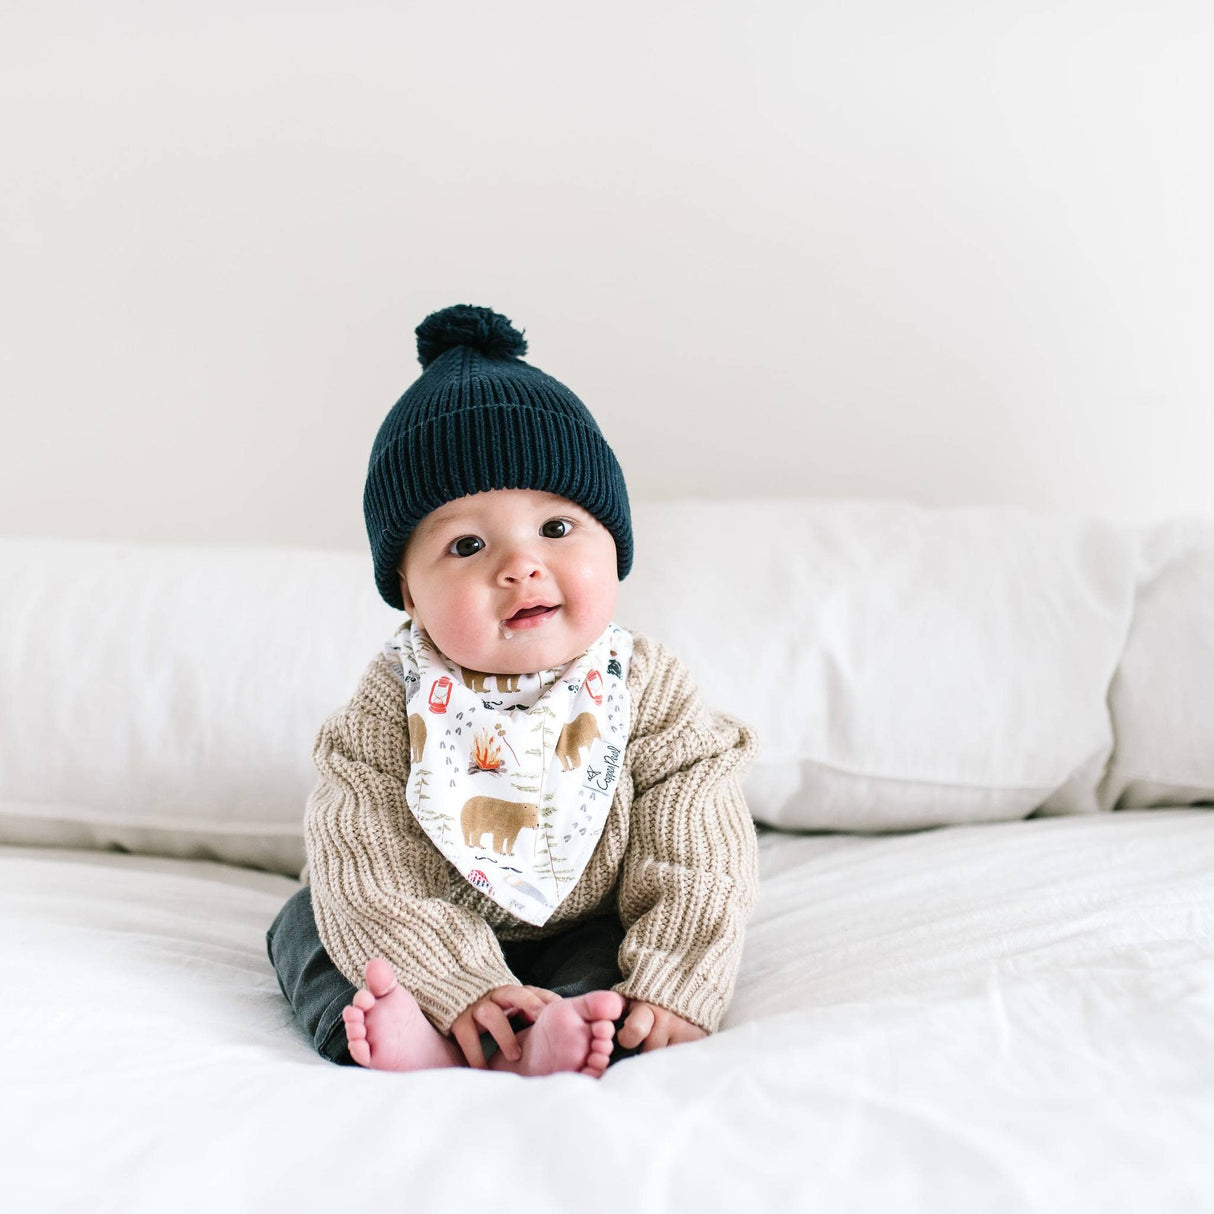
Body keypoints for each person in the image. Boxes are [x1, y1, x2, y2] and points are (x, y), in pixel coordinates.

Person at [266, 304, 759, 1077]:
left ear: (615, 544)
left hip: (582, 916)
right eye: (467, 544)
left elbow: (697, 846)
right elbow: (364, 858)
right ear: (409, 593)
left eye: (557, 529)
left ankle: (570, 1025)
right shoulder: (389, 705)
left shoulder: (645, 687)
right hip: (425, 929)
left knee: (610, 948)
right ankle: (423, 1032)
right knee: (310, 924)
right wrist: (453, 982)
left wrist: (675, 980)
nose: (520, 566)